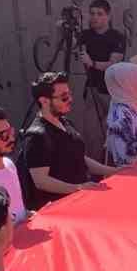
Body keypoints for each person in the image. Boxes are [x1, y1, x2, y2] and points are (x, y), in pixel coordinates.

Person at [21, 72, 117, 212]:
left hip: (80, 202)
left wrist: (113, 171)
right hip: (61, 211)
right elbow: (41, 181)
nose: (70, 99)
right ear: (44, 101)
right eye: (64, 97)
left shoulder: (64, 122)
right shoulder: (37, 136)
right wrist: (78, 188)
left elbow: (78, 157)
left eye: (69, 94)